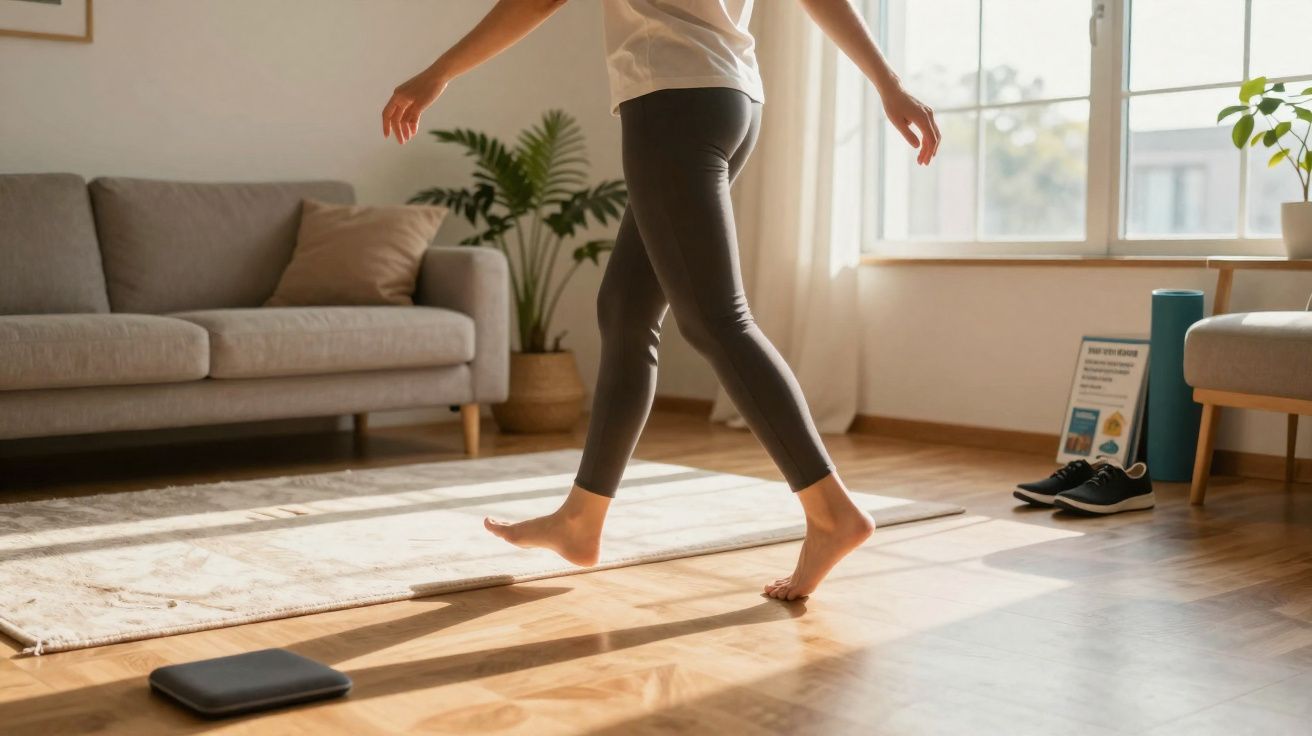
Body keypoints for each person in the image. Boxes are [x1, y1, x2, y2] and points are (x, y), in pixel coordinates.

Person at [382, 0, 938, 600]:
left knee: (716, 319)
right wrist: (888, 83)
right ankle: (582, 519)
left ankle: (831, 512)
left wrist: (439, 71)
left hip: (671, 98)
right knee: (626, 308)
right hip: (732, 97)